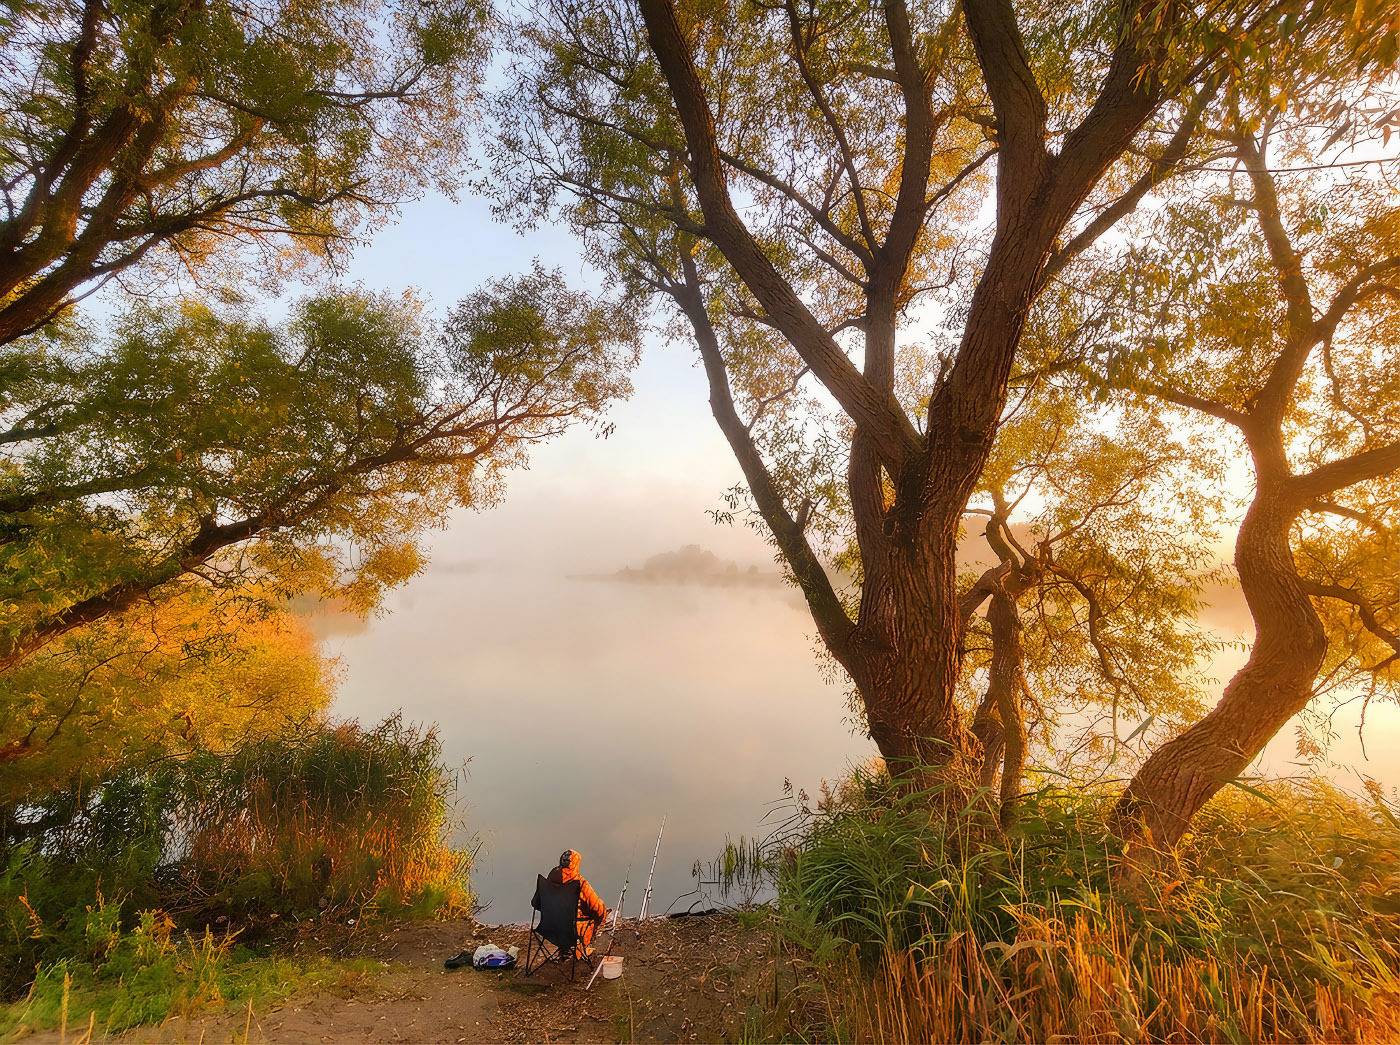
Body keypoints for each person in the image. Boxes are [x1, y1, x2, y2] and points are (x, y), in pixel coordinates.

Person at [549, 849, 608, 954]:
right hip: (574, 929)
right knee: (598, 913)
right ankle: (581, 951)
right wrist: (603, 915)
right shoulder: (580, 883)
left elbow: (536, 903)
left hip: (552, 927)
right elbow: (596, 907)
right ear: (576, 864)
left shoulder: (549, 881)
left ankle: (565, 950)